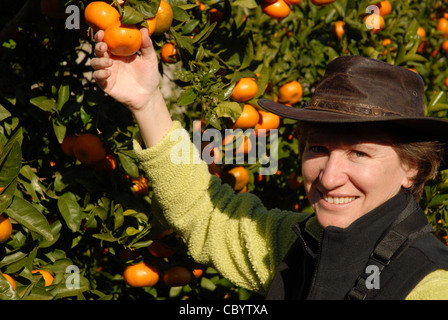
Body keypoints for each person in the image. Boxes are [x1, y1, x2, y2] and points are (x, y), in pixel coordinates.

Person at [90, 28, 448, 300]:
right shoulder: (297, 244)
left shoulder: (428, 283)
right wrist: (147, 102)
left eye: (359, 153)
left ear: (412, 168)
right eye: (318, 148)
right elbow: (207, 214)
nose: (330, 177)